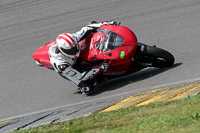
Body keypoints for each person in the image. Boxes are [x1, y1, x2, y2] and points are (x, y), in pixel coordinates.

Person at [49, 21, 117, 94]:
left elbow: (87, 28)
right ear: (63, 50)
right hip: (70, 69)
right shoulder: (61, 64)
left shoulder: (73, 39)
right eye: (71, 50)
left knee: (92, 31)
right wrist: (98, 68)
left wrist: (105, 24)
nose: (74, 50)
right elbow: (80, 76)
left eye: (75, 47)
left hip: (73, 58)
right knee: (87, 89)